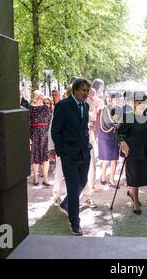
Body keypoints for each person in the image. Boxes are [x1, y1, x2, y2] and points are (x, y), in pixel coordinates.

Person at [51, 79, 92, 236]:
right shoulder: (63, 105)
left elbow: (84, 128)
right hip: (69, 154)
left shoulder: (85, 106)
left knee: (83, 182)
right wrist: (62, 151)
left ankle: (66, 203)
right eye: (83, 90)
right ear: (74, 90)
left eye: (87, 91)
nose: (86, 93)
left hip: (84, 152)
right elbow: (56, 130)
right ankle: (75, 222)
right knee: (73, 187)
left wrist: (87, 145)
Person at [117, 91, 147, 215]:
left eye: (143, 102)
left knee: (141, 176)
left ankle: (131, 193)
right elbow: (120, 133)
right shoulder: (128, 115)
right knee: (134, 177)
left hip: (143, 149)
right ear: (133, 104)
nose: (142, 104)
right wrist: (123, 143)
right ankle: (136, 202)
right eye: (139, 102)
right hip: (132, 150)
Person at [50, 86, 72, 207]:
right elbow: (53, 129)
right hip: (63, 147)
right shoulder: (61, 107)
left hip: (77, 147)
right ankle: (56, 195)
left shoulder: (83, 106)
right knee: (59, 172)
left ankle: (80, 197)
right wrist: (53, 147)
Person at [29, 90, 52, 186]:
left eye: (42, 98)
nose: (41, 100)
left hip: (45, 134)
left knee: (45, 157)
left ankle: (45, 179)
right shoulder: (30, 109)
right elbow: (27, 123)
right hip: (34, 134)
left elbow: (50, 120)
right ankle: (35, 177)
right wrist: (28, 137)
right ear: (35, 98)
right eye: (39, 98)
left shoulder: (45, 108)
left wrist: (49, 133)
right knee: (35, 156)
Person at [98, 92, 121, 188]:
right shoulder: (105, 109)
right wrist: (119, 123)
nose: (117, 101)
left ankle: (112, 180)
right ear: (110, 100)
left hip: (114, 136)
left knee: (115, 159)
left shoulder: (118, 110)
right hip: (106, 136)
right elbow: (109, 122)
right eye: (116, 99)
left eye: (118, 99)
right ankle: (103, 176)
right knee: (107, 160)